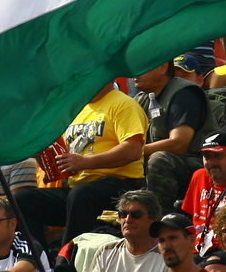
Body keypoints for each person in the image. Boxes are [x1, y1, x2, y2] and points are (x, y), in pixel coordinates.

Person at [16, 83, 148, 240]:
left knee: (81, 194)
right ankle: (36, 254)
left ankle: (69, 253)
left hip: (120, 186)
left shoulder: (123, 104)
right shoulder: (77, 111)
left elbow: (133, 150)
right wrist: (44, 158)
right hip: (79, 190)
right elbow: (65, 157)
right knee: (23, 200)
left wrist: (85, 162)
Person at [133, 60, 215, 212]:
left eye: (141, 67)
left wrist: (133, 152)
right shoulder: (141, 99)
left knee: (159, 159)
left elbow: (179, 143)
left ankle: (157, 219)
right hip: (154, 160)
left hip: (194, 163)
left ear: (162, 67)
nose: (134, 73)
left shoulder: (184, 93)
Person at [83, 191, 165, 272]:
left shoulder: (167, 256)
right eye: (123, 214)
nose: (128, 219)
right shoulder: (106, 251)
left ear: (155, 220)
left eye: (136, 215)